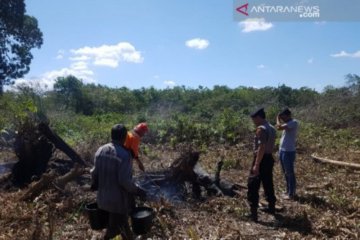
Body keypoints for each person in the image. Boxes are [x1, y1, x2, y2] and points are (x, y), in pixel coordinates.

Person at [91, 124, 146, 240]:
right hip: (118, 202)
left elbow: (94, 172)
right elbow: (124, 181)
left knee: (123, 225)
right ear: (125, 137)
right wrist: (138, 190)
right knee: (112, 231)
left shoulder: (100, 150)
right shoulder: (124, 155)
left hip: (102, 199)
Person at [247, 108, 277, 222]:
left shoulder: (261, 129)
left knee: (253, 184)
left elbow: (261, 147)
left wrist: (256, 164)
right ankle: (272, 207)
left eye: (254, 119)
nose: (253, 121)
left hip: (261, 159)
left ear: (259, 117)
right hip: (269, 158)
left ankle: (253, 214)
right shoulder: (271, 128)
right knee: (268, 182)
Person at [276, 108, 299, 200]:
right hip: (282, 150)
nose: (282, 119)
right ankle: (288, 190)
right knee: (285, 172)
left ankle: (292, 193)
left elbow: (279, 127)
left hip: (289, 151)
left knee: (290, 172)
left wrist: (277, 118)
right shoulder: (287, 123)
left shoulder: (294, 122)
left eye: (283, 117)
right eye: (281, 117)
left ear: (288, 115)